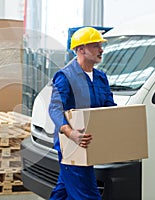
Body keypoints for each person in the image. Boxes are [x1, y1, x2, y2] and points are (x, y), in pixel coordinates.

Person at [48, 27, 117, 200]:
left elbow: (109, 107)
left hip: (89, 143)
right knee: (88, 196)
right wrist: (71, 133)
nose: (101, 50)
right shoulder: (65, 76)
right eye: (95, 46)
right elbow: (55, 109)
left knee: (63, 192)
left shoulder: (101, 77)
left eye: (101, 45)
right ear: (80, 49)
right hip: (72, 145)